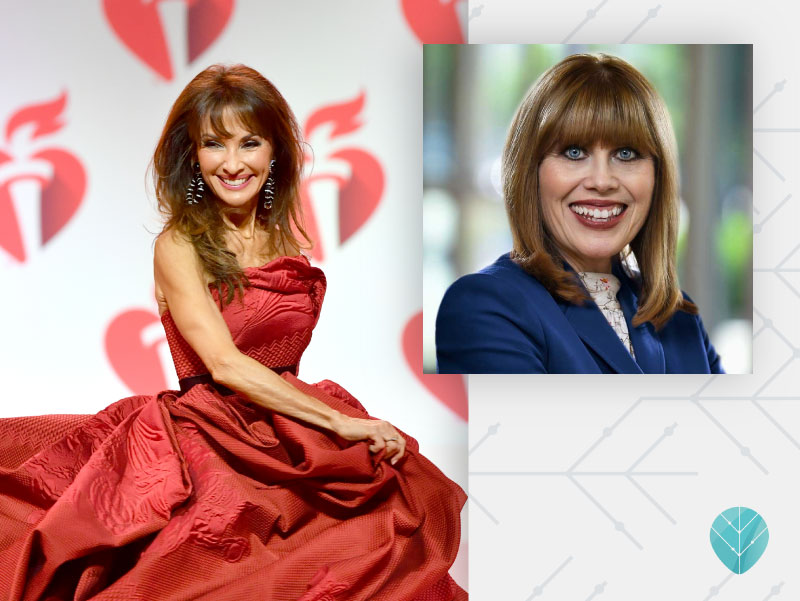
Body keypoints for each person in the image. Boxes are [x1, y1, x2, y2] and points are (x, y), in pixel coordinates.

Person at [0, 64, 466, 601]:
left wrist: (332, 428)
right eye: (215, 144)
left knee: (399, 499)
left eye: (250, 142)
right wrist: (341, 422)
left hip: (285, 426)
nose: (234, 162)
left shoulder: (284, 242)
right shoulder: (179, 245)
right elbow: (223, 363)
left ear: (274, 153)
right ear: (193, 155)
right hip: (206, 436)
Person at [436, 53, 723, 375]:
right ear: (530, 171)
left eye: (626, 153)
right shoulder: (485, 306)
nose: (602, 182)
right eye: (574, 152)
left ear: (658, 177)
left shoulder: (679, 319)